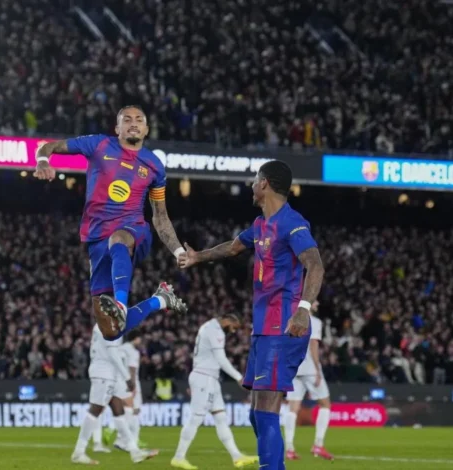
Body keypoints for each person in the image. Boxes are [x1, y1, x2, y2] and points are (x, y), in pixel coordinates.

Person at [178, 160, 325, 470]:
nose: (251, 185)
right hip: (263, 328)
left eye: (255, 180)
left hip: (284, 325)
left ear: (265, 184)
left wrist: (303, 309)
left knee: (267, 410)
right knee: (256, 414)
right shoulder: (260, 225)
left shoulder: (292, 223)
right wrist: (197, 257)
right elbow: (232, 248)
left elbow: (315, 264)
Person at [34, 105, 187, 339]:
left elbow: (160, 215)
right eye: (127, 120)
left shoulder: (155, 165)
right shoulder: (98, 144)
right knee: (110, 331)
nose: (133, 123)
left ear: (146, 129)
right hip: (97, 236)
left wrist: (178, 251)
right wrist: (43, 161)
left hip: (133, 229)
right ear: (117, 128)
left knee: (118, 239)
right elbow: (49, 146)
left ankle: (121, 304)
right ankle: (160, 300)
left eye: (139, 120)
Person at [171, 313, 259, 469]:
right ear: (227, 321)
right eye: (233, 327)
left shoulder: (209, 327)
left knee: (221, 417)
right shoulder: (215, 330)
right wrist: (239, 377)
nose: (233, 331)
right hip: (203, 378)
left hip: (211, 378)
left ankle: (237, 456)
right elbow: (221, 359)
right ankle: (178, 457)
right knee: (196, 418)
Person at [71, 324, 158, 465]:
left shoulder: (103, 323)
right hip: (104, 373)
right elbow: (112, 353)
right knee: (95, 410)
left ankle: (134, 451)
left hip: (108, 373)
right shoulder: (109, 324)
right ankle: (79, 452)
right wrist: (127, 377)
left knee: (119, 411)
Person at [282, 301, 333, 460]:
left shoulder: (291, 320)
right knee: (325, 404)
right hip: (310, 368)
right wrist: (317, 370)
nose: (318, 303)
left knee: (293, 408)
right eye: (315, 300)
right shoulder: (314, 321)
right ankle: (318, 444)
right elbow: (313, 345)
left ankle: (289, 448)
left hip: (293, 368)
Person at [103, 331, 146, 449]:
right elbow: (132, 369)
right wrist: (133, 386)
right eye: (139, 339)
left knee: (127, 410)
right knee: (134, 411)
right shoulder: (133, 351)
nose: (140, 341)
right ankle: (122, 435)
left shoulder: (121, 348)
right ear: (135, 338)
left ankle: (121, 438)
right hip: (130, 382)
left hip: (119, 381)